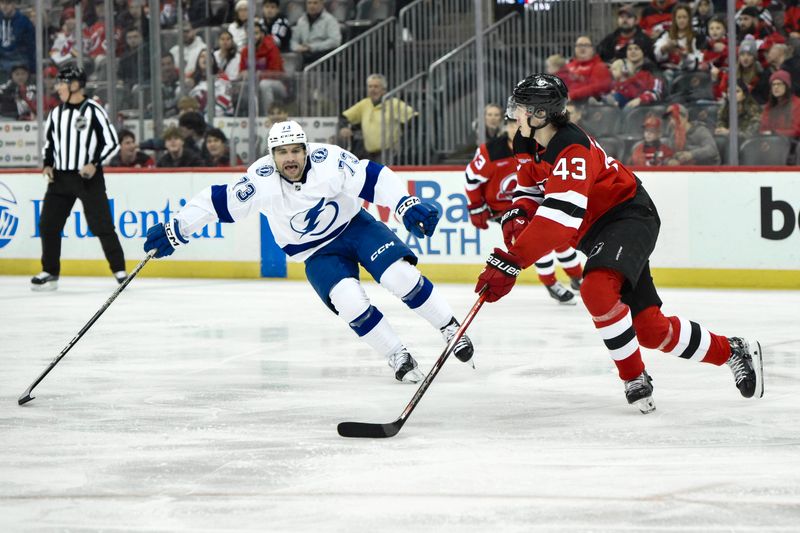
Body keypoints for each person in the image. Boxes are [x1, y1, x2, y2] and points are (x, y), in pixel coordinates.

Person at [474, 73, 764, 413]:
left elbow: (559, 219)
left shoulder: (572, 149)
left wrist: (512, 260)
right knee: (649, 329)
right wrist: (518, 216)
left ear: (540, 115)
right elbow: (530, 191)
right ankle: (732, 350)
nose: (514, 114)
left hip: (628, 215)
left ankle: (634, 376)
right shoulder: (526, 143)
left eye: (521, 109)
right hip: (599, 233)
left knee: (596, 289)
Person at [142, 120, 475, 383]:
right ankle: (398, 354)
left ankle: (450, 328)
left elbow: (373, 177)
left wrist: (405, 203)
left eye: (295, 151)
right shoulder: (260, 180)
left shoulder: (328, 160)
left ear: (306, 149)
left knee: (400, 276)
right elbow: (215, 202)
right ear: (272, 156)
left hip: (356, 228)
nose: (290, 158)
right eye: (282, 152)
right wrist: (176, 229)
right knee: (349, 302)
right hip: (316, 253)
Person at [466, 115, 583, 304]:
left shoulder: (537, 146)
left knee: (561, 240)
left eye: (518, 123)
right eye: (512, 124)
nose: (516, 128)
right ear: (506, 127)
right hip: (506, 211)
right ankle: (550, 283)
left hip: (538, 203)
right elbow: (471, 179)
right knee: (539, 245)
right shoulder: (491, 151)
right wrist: (475, 207)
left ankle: (577, 277)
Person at [33, 66, 127, 291]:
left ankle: (120, 271)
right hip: (60, 178)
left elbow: (111, 142)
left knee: (101, 224)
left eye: (61, 83)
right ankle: (50, 271)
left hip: (87, 178)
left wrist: (94, 163)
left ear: (75, 84)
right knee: (48, 224)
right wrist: (47, 164)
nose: (58, 88)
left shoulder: (93, 110)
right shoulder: (56, 113)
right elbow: (50, 143)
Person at [339, 73, 416, 163]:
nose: (372, 89)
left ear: (384, 90)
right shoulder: (364, 104)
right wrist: (343, 127)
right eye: (370, 86)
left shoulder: (394, 103)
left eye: (376, 87)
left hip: (389, 153)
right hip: (369, 153)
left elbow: (413, 117)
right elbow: (344, 117)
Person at [238, 21, 286, 115]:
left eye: (255, 33)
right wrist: (243, 74)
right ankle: (244, 116)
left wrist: (256, 76)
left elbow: (275, 73)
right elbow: (241, 72)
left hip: (278, 84)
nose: (253, 37)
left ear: (262, 34)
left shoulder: (271, 48)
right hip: (255, 83)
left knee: (264, 84)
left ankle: (268, 115)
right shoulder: (245, 51)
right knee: (241, 86)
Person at [606, 37, 664, 110]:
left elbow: (657, 93)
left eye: (636, 49)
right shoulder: (621, 68)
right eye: (629, 49)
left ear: (643, 52)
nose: (632, 52)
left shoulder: (652, 71)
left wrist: (640, 99)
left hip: (644, 109)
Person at [558, 35, 613, 103]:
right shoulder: (568, 66)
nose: (582, 48)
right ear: (575, 48)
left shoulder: (599, 66)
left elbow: (598, 87)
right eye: (579, 45)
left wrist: (572, 95)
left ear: (592, 49)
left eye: (586, 45)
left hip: (586, 104)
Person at [290, 0, 342, 66]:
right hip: (304, 53)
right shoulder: (301, 20)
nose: (312, 6)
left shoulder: (330, 20)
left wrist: (311, 47)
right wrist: (297, 47)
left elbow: (335, 41)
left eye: (315, 3)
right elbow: (293, 40)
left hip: (323, 55)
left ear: (322, 4)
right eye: (309, 3)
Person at [759, 70, 800, 139]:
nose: (776, 87)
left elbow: (797, 130)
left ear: (787, 86)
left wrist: (774, 133)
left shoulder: (797, 104)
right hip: (772, 144)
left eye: (779, 84)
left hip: (793, 144)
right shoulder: (769, 106)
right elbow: (763, 128)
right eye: (773, 84)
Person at [0, 0, 35, 80]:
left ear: (14, 4)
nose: (4, 6)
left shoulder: (24, 21)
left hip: (19, 60)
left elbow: (31, 46)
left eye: (8, 3)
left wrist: (33, 67)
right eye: (2, 3)